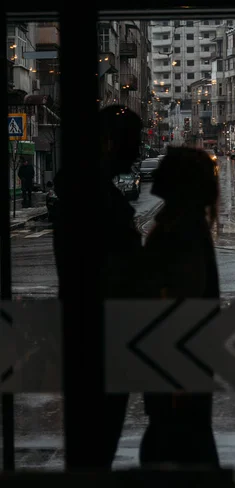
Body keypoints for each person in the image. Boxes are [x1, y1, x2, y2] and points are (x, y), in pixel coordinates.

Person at [53, 105, 143, 470]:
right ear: (108, 143)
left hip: (98, 340)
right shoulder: (95, 201)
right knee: (95, 451)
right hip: (101, 342)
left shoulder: (90, 194)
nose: (137, 153)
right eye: (132, 143)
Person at [139, 146, 220, 468]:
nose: (156, 171)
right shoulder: (180, 224)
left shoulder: (181, 230)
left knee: (178, 449)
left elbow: (182, 299)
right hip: (176, 363)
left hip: (175, 365)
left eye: (165, 167)